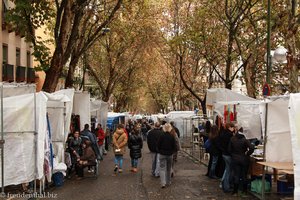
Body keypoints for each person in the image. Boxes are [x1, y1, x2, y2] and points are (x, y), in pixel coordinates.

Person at [228, 125, 254, 196]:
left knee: (236, 175)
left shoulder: (232, 138)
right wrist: (247, 153)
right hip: (244, 159)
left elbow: (229, 150)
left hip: (235, 159)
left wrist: (233, 155)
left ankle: (235, 192)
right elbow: (251, 148)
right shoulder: (245, 139)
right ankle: (244, 191)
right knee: (244, 175)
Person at [157, 123, 177, 188]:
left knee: (162, 169)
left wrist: (160, 151)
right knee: (168, 169)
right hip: (169, 154)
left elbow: (158, 145)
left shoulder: (161, 136)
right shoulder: (172, 136)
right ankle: (168, 182)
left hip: (162, 154)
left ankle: (163, 183)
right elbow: (174, 146)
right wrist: (172, 152)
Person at [219, 122, 235, 193]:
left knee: (227, 169)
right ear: (230, 127)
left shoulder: (222, 133)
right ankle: (226, 187)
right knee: (229, 171)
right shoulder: (230, 135)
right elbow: (231, 146)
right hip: (228, 154)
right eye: (233, 127)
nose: (234, 129)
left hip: (224, 154)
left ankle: (222, 183)